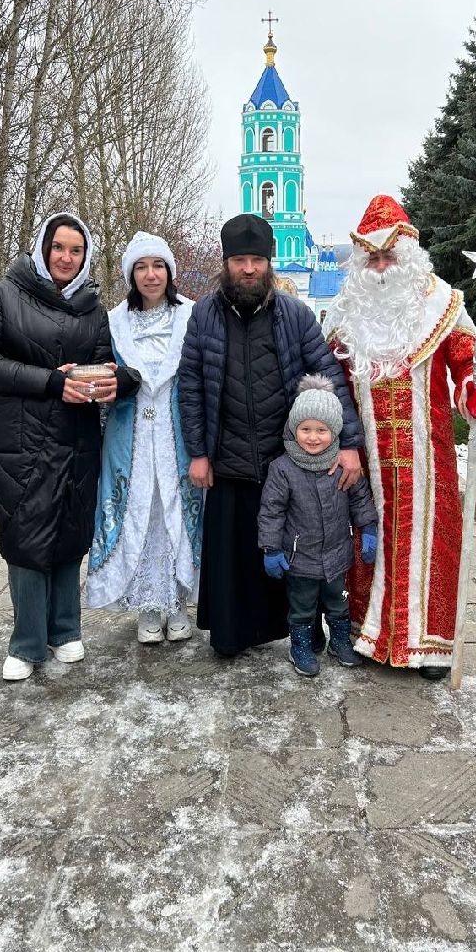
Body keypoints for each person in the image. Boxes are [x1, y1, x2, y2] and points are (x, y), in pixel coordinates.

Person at [324, 194, 476, 681]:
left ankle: (430, 645)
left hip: (428, 457)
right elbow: (329, 383)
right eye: (372, 259)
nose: (381, 268)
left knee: (432, 540)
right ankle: (370, 632)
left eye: (389, 257)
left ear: (408, 257)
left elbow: (473, 359)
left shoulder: (444, 306)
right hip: (366, 458)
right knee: (367, 540)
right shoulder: (344, 319)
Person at [178, 212, 364, 657]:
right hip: (228, 458)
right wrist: (198, 453)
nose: (248, 269)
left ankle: (298, 629)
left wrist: (351, 444)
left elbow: (330, 380)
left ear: (269, 263)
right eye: (239, 260)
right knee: (234, 556)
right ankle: (232, 635)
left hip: (286, 461)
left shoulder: (294, 315)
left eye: (256, 260)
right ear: (226, 264)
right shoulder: (204, 315)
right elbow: (191, 387)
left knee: (293, 549)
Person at [0, 212, 140, 681]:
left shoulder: (91, 308)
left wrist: (111, 383)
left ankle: (65, 630)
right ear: (43, 249)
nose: (66, 257)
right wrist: (49, 382)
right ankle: (25, 643)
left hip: (78, 438)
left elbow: (107, 361)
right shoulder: (4, 295)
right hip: (21, 441)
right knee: (25, 536)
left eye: (76, 250)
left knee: (68, 532)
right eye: (58, 247)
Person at [86, 231, 203, 643]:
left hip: (177, 437)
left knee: (177, 514)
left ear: (169, 272)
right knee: (140, 512)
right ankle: (148, 607)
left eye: (158, 266)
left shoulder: (192, 316)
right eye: (141, 267)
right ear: (130, 274)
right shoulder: (114, 320)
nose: (151, 275)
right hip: (129, 437)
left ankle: (178, 605)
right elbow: (99, 370)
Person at [258, 375, 379, 677]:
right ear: (294, 429)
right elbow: (272, 511)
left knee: (338, 603)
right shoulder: (283, 468)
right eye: (306, 429)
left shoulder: (343, 464)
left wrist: (369, 530)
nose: (313, 437)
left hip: (337, 555)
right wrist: (271, 548)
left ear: (334, 430)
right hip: (300, 558)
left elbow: (360, 497)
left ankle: (339, 642)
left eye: (321, 430)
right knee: (302, 607)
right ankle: (300, 646)